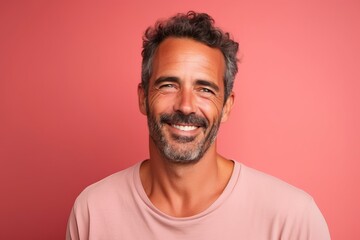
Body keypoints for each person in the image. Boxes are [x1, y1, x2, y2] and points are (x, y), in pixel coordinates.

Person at [66, 11, 330, 239]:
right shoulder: (93, 210)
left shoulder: (293, 219)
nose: (186, 105)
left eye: (205, 89)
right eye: (169, 85)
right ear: (143, 98)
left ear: (226, 106)